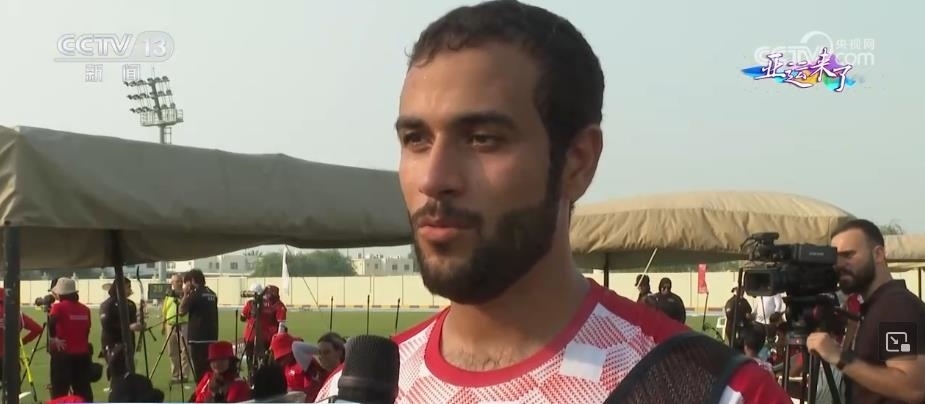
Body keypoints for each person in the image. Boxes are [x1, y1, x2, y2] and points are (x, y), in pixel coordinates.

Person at [316, 1, 791, 402]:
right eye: (416, 140)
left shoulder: (713, 393)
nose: (434, 178)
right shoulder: (351, 390)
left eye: (482, 139)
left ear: (577, 162)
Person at [807, 219, 925, 403]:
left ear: (878, 254)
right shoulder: (877, 305)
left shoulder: (896, 306)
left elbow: (913, 388)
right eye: (836, 258)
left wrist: (839, 357)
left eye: (848, 255)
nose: (840, 265)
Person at [46, 278, 93, 401]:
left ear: (60, 293)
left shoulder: (58, 307)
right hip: (82, 355)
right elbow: (87, 330)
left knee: (60, 392)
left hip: (63, 355)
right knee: (83, 391)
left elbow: (52, 322)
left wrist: (54, 338)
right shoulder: (85, 309)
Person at [99, 277, 144, 386]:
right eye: (128, 287)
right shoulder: (108, 304)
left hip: (128, 343)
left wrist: (140, 323)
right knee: (117, 372)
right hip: (112, 343)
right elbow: (107, 325)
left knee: (128, 372)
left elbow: (133, 322)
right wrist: (128, 327)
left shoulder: (130, 304)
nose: (130, 290)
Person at [180, 269, 219, 381]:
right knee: (209, 368)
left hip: (197, 338)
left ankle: (201, 389)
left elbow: (181, 311)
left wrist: (185, 294)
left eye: (187, 282)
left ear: (192, 280)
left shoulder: (195, 294)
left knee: (199, 370)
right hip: (212, 336)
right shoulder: (212, 293)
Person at [240, 284, 287, 376]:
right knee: (265, 360)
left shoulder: (251, 303)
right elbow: (281, 323)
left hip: (253, 335)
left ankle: (252, 375)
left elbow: (242, 318)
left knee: (252, 358)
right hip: (266, 337)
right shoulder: (276, 305)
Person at [0, 287, 43, 380]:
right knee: (13, 387)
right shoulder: (16, 313)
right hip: (11, 358)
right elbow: (37, 329)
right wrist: (21, 343)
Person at [290, 332, 346, 402]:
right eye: (319, 352)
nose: (321, 357)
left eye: (326, 352)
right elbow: (296, 346)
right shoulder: (316, 370)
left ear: (340, 352)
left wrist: (345, 348)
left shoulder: (343, 375)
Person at [161, 273, 193, 384]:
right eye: (176, 281)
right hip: (170, 325)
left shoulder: (186, 294)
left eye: (180, 281)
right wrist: (163, 324)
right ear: (172, 283)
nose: (179, 283)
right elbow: (165, 310)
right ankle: (175, 374)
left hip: (183, 324)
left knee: (185, 350)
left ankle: (184, 375)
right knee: (172, 351)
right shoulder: (168, 295)